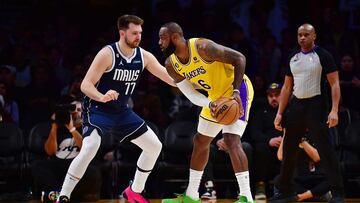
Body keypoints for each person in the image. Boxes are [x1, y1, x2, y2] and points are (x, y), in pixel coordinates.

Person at [56, 15, 175, 203]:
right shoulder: (107, 54)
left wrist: (194, 82)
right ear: (122, 33)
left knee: (154, 146)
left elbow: (168, 77)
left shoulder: (143, 56)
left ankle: (134, 190)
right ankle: (63, 195)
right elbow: (85, 85)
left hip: (121, 111)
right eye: (134, 33)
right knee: (90, 147)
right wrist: (102, 96)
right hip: (97, 109)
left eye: (140, 33)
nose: (138, 37)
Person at [159, 22, 254, 203]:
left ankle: (246, 197)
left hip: (237, 90)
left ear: (175, 37)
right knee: (200, 140)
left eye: (162, 38)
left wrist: (235, 93)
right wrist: (209, 103)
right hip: (215, 97)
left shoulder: (203, 47)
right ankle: (192, 195)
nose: (159, 42)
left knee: (231, 139)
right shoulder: (171, 64)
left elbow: (240, 59)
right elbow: (190, 94)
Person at [269, 23, 344, 203]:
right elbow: (287, 87)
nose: (302, 37)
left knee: (325, 150)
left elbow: (335, 84)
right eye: (299, 35)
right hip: (296, 106)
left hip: (316, 105)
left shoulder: (323, 56)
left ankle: (338, 192)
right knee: (288, 149)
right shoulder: (292, 57)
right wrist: (280, 113)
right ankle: (285, 191)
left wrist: (334, 110)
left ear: (314, 36)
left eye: (306, 34)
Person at [32, 97, 101, 202]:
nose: (76, 113)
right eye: (73, 110)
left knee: (93, 171)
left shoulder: (89, 128)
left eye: (79, 110)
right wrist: (54, 127)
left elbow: (85, 148)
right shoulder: (59, 128)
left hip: (78, 165)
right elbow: (50, 152)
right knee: (38, 165)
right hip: (59, 164)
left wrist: (72, 129)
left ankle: (68, 193)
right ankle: (55, 192)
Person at [249, 83, 283, 200]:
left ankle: (288, 187)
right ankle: (260, 186)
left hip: (285, 145)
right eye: (270, 95)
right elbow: (254, 133)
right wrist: (269, 140)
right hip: (267, 147)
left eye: (277, 95)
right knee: (260, 148)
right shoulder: (261, 111)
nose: (273, 98)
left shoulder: (288, 110)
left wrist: (285, 140)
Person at [277, 131, 331, 202]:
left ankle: (300, 197)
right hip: (298, 177)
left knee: (332, 179)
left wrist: (301, 139)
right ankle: (316, 195)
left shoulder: (317, 133)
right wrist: (286, 133)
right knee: (279, 180)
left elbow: (316, 157)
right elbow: (280, 157)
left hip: (316, 176)